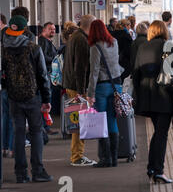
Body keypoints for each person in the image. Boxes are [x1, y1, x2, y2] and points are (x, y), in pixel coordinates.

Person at [1, 15, 53, 183]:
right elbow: (43, 76)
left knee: (18, 133)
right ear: (25, 30)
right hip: (32, 96)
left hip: (13, 97)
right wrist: (46, 99)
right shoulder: (33, 48)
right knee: (36, 132)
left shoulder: (3, 49)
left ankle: (20, 174)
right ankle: (38, 171)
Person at [132, 20, 173, 184]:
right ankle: (158, 171)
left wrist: (138, 95)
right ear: (163, 31)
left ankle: (151, 168)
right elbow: (169, 68)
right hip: (163, 96)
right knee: (161, 134)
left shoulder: (143, 47)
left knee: (158, 133)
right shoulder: (166, 46)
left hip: (146, 96)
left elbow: (135, 73)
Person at [87, 19, 124, 168]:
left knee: (100, 123)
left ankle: (105, 159)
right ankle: (114, 159)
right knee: (112, 121)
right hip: (116, 85)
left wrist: (90, 93)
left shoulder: (95, 47)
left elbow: (94, 71)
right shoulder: (114, 42)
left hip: (102, 87)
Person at [62, 15, 97, 167]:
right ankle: (77, 157)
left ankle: (77, 155)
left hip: (71, 84)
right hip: (77, 87)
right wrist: (81, 91)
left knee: (77, 122)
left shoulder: (75, 36)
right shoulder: (82, 39)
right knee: (79, 123)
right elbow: (80, 67)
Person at [38, 22, 59, 135]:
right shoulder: (43, 42)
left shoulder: (48, 42)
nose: (53, 31)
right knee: (45, 102)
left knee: (47, 102)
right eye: (50, 29)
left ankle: (46, 126)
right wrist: (55, 59)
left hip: (49, 75)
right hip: (46, 75)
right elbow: (42, 57)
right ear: (44, 30)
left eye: (54, 29)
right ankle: (45, 127)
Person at [1, 14, 14, 158]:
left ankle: (4, 147)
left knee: (5, 117)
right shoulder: (10, 39)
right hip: (13, 86)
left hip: (3, 84)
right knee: (11, 118)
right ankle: (11, 148)